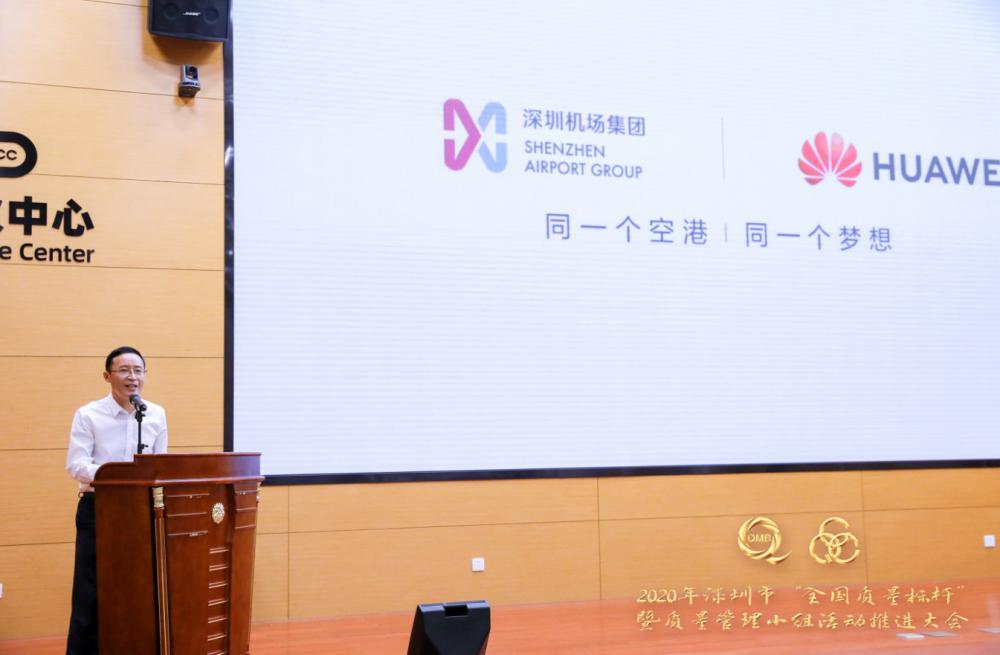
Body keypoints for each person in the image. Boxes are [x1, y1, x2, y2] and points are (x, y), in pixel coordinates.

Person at [64, 346, 168, 655]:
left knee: (138, 587)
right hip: (99, 509)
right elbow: (76, 465)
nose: (132, 377)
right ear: (107, 376)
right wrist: (117, 475)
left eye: (138, 371)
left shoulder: (155, 414)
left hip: (142, 511)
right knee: (91, 590)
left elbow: (160, 465)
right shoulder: (88, 414)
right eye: (124, 370)